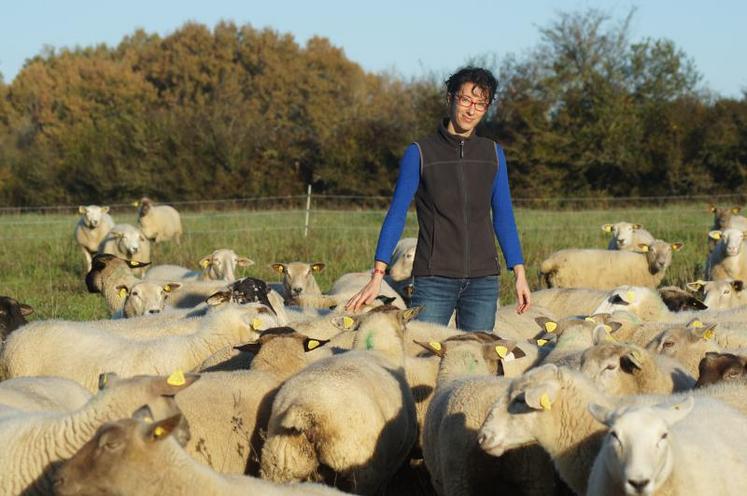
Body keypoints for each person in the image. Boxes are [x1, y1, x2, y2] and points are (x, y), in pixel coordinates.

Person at [346, 67, 530, 330]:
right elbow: (397, 214)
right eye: (466, 100)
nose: (471, 110)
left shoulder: (493, 154)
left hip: (483, 281)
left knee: (475, 364)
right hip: (434, 279)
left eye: (480, 104)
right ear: (450, 98)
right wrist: (378, 275)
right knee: (423, 357)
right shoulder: (420, 153)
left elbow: (504, 216)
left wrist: (519, 274)